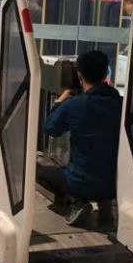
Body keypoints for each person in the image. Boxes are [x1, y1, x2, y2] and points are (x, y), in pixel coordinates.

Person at [37, 50, 122, 226]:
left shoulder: (75, 105)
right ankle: (105, 205)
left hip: (80, 182)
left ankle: (77, 203)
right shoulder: (120, 104)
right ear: (105, 74)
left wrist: (59, 102)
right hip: (115, 185)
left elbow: (50, 128)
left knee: (39, 172)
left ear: (79, 75)